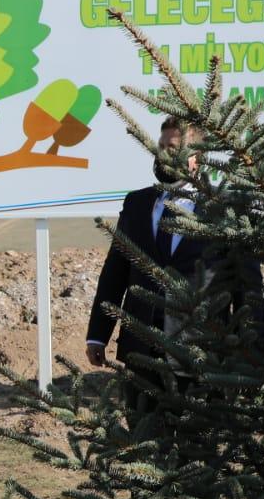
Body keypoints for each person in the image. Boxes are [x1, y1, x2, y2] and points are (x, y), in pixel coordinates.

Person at [86, 117, 210, 417]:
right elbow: (115, 273)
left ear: (197, 157)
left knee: (194, 447)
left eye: (174, 148)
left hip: (199, 354)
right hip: (140, 350)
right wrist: (98, 334)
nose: (165, 154)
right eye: (162, 146)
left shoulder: (222, 209)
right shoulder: (138, 204)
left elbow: (242, 286)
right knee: (143, 441)